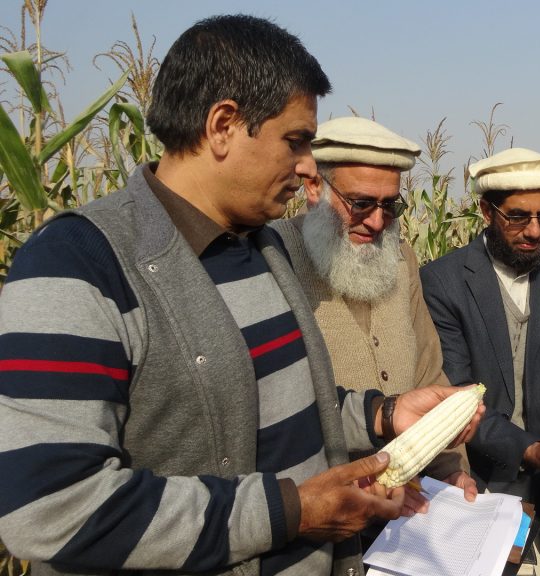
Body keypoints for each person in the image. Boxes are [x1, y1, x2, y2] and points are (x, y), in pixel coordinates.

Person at [0, 15, 481, 576]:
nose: (307, 168)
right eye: (297, 142)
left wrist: (383, 414)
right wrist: (294, 512)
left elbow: (282, 404)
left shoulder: (260, 249)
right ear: (223, 125)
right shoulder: (75, 266)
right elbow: (49, 509)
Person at [269, 116, 476, 495]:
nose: (378, 222)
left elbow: (428, 371)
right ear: (315, 186)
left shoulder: (401, 259)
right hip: (320, 506)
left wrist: (450, 468)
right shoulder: (273, 257)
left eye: (390, 205)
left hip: (409, 498)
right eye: (361, 204)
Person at [420, 147, 540, 575]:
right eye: (518, 216)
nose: (535, 231)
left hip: (539, 495)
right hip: (470, 490)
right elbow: (459, 399)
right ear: (486, 210)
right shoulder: (443, 282)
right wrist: (533, 451)